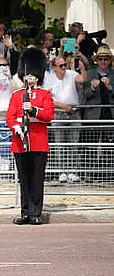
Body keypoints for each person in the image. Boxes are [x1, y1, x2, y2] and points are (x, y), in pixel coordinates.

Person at [6, 48, 54, 225]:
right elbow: (10, 116)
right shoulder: (17, 95)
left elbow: (49, 115)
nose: (30, 78)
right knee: (24, 179)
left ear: (38, 76)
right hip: (20, 141)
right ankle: (25, 212)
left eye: (33, 75)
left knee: (36, 179)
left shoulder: (45, 94)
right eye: (28, 75)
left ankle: (36, 213)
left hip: (38, 141)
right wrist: (17, 127)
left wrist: (34, 110)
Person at [43, 55, 86, 183]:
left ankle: (73, 171)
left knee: (74, 143)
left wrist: (82, 68)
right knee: (59, 144)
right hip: (58, 112)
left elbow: (82, 79)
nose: (64, 68)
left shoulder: (71, 74)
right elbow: (47, 98)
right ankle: (62, 171)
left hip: (74, 112)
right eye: (61, 66)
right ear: (54, 67)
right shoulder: (49, 79)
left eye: (65, 65)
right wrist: (63, 107)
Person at [81, 45, 114, 183]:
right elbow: (84, 95)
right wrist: (93, 88)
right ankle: (90, 173)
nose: (102, 62)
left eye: (105, 59)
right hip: (94, 115)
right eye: (100, 59)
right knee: (91, 146)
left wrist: (110, 87)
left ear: (109, 61)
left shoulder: (113, 74)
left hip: (110, 114)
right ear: (97, 61)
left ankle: (108, 173)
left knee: (109, 146)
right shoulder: (90, 74)